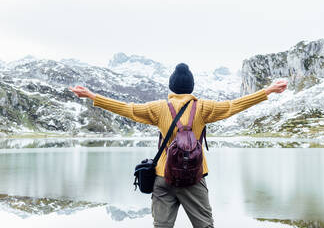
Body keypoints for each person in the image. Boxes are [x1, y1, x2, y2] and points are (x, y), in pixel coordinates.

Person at [69, 63, 287, 228]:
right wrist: (267, 91)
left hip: (163, 177)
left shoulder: (158, 108)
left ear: (171, 86)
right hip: (194, 178)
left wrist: (91, 96)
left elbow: (128, 109)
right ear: (191, 87)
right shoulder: (204, 107)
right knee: (205, 225)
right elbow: (233, 106)